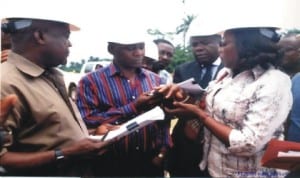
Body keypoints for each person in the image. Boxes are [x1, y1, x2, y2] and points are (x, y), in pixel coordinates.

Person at [156, 27, 292, 177]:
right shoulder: (225, 75)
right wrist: (181, 97)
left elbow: (248, 143)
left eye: (224, 44)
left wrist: (200, 115)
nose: (220, 49)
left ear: (246, 46)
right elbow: (208, 109)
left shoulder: (273, 81)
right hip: (215, 169)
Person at [0, 17, 109, 176]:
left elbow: (48, 132)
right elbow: (2, 160)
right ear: (40, 36)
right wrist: (66, 153)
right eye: (66, 36)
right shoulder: (6, 84)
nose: (69, 44)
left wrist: (90, 136)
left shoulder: (49, 75)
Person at [76, 36, 172, 177]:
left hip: (150, 162)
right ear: (112, 49)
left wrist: (162, 152)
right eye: (131, 48)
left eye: (141, 47)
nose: (139, 53)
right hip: (109, 163)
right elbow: (87, 120)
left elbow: (164, 119)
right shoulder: (91, 81)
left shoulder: (156, 80)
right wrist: (133, 107)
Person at [167, 26, 222, 177]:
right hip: (185, 143)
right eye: (195, 44)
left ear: (219, 43)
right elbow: (173, 104)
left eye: (204, 43)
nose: (199, 48)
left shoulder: (231, 70)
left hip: (217, 141)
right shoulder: (183, 70)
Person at [279, 34, 300, 142]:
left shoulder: (297, 79)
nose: (282, 54)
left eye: (287, 50)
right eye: (279, 50)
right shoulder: (273, 79)